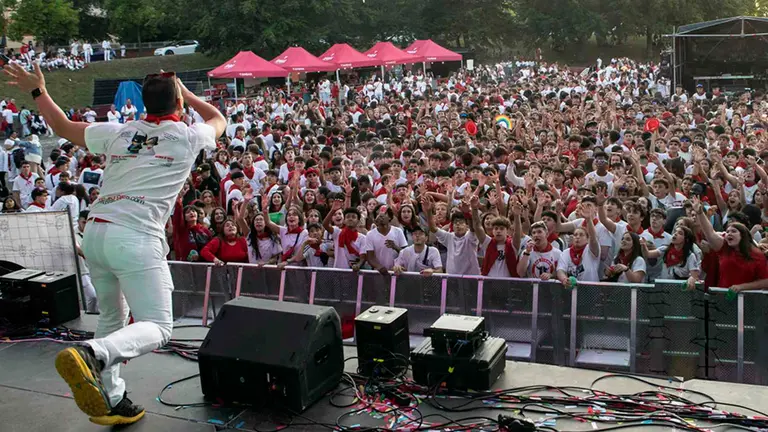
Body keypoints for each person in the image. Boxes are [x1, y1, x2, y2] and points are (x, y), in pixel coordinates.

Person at [3, 61, 226, 425]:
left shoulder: (119, 132)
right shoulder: (189, 136)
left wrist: (38, 90)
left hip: (95, 232)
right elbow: (218, 118)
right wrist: (188, 94)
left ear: (143, 104)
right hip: (135, 236)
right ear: (179, 106)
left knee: (112, 314)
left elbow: (60, 126)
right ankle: (93, 353)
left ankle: (112, 396)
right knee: (158, 325)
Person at [693, 196, 768, 291]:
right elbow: (710, 233)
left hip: (748, 300)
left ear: (743, 235)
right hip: (724, 298)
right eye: (727, 231)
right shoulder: (724, 247)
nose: (729, 234)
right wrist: (699, 213)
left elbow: (766, 281)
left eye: (733, 231)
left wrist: (742, 287)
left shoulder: (757, 254)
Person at [556, 208, 601, 287]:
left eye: (581, 235)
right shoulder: (565, 252)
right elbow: (560, 270)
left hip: (591, 291)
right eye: (575, 235)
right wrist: (564, 279)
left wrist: (588, 220)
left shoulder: (591, 250)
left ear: (587, 239)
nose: (577, 237)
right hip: (571, 292)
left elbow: (593, 238)